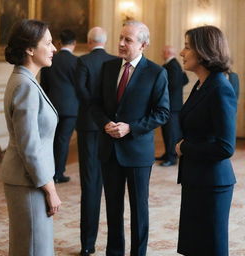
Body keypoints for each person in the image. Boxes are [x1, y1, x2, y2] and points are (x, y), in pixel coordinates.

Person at [92, 20, 170, 256]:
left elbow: (162, 112)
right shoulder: (108, 67)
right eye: (121, 38)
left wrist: (131, 128)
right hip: (109, 150)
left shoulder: (157, 72)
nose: (121, 43)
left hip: (137, 152)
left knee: (139, 210)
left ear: (143, 44)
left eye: (128, 40)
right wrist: (105, 123)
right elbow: (94, 105)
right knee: (113, 209)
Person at [1, 19, 61, 256]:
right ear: (30, 49)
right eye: (48, 43)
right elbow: (30, 146)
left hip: (27, 179)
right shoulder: (25, 85)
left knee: (28, 246)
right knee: (34, 248)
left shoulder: (24, 80)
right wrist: (50, 189)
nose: (54, 48)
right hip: (29, 181)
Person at [176, 25, 237, 256]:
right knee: (195, 246)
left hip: (213, 184)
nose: (182, 53)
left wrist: (185, 148)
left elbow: (225, 146)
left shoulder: (220, 88)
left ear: (203, 52)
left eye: (187, 47)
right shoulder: (201, 85)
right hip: (196, 178)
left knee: (211, 247)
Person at [75, 27, 116, 256]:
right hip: (111, 127)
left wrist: (95, 110)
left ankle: (87, 244)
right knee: (111, 185)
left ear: (89, 41)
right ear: (106, 40)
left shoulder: (83, 61)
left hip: (89, 127)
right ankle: (113, 244)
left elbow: (80, 91)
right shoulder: (115, 60)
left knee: (90, 185)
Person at [40, 29, 79, 183]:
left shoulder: (50, 59)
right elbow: (80, 86)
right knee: (63, 140)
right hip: (71, 109)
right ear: (74, 44)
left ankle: (48, 172)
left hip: (51, 106)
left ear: (59, 43)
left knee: (50, 140)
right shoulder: (76, 62)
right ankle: (58, 174)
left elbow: (43, 86)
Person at [157, 45, 188, 167]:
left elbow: (173, 85)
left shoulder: (173, 65)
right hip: (170, 105)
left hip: (172, 106)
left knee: (171, 133)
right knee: (166, 131)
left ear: (167, 52)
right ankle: (167, 153)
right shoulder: (171, 65)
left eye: (163, 51)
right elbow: (184, 80)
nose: (162, 53)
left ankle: (172, 157)